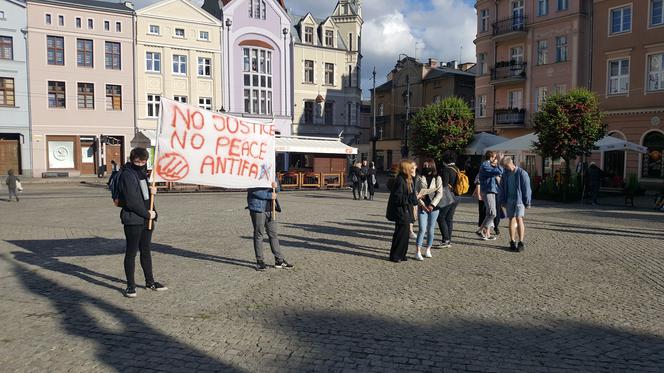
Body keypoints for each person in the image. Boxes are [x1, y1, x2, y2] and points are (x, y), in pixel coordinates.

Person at [118, 148, 167, 298]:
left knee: (145, 250)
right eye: (137, 161)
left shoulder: (143, 174)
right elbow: (132, 201)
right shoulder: (127, 174)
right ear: (132, 160)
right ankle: (130, 286)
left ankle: (150, 282)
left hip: (147, 219)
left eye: (143, 161)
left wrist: (152, 192)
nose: (140, 164)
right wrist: (147, 213)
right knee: (131, 252)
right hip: (133, 219)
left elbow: (144, 196)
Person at [247, 180, 293, 271]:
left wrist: (276, 186)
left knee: (273, 234)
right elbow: (252, 190)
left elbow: (278, 189)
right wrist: (269, 195)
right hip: (258, 208)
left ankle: (279, 259)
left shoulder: (271, 171)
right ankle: (260, 261)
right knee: (259, 234)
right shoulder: (253, 173)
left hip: (271, 208)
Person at [386, 160, 419, 262]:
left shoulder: (408, 179)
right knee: (400, 233)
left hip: (406, 209)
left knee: (405, 234)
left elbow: (410, 195)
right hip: (401, 210)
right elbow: (398, 198)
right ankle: (396, 255)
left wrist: (415, 197)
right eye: (411, 168)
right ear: (406, 169)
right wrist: (411, 198)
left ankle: (402, 254)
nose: (413, 170)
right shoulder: (400, 179)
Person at [499, 157, 532, 252]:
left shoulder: (522, 173)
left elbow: (527, 188)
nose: (504, 168)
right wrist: (502, 200)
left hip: (519, 200)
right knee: (511, 219)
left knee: (519, 218)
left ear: (509, 164)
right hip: (509, 200)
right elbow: (502, 187)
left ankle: (521, 242)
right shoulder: (505, 174)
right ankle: (512, 241)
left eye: (505, 166)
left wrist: (527, 201)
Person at [414, 158, 442, 260]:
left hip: (434, 207)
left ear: (432, 165)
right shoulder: (420, 177)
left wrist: (432, 205)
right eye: (424, 166)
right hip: (423, 206)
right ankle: (418, 251)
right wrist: (422, 205)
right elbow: (416, 192)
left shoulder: (438, 177)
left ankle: (428, 249)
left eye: (428, 165)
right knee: (422, 229)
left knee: (431, 229)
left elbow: (440, 193)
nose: (426, 167)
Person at [478, 151, 503, 240]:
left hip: (492, 190)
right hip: (487, 190)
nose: (496, 159)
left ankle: (484, 233)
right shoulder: (485, 165)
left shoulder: (488, 165)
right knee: (493, 213)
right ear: (491, 157)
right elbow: (499, 171)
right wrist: (499, 161)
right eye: (495, 157)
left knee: (489, 213)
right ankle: (481, 230)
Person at [437, 151, 460, 248]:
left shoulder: (446, 170)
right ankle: (449, 240)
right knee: (449, 218)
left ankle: (446, 240)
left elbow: (445, 186)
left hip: (449, 196)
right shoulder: (456, 169)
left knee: (441, 218)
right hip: (457, 196)